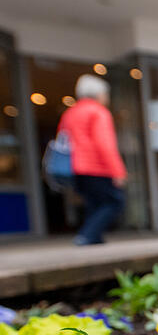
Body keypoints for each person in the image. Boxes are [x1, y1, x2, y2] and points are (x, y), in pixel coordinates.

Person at [57, 74, 126, 245]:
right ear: (99, 94)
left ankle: (94, 237)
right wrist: (118, 171)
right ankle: (87, 235)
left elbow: (62, 141)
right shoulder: (98, 112)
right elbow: (105, 143)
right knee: (114, 202)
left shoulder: (70, 113)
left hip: (75, 166)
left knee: (94, 203)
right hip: (97, 166)